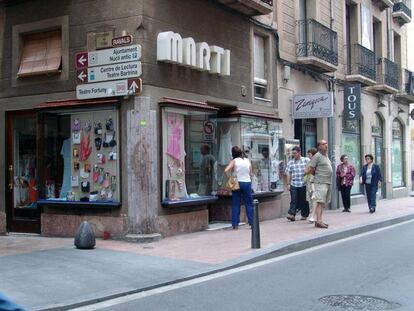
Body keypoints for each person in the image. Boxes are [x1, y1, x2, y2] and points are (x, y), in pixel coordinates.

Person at [224, 146, 253, 229]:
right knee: (249, 203)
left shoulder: (234, 161)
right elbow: (250, 173)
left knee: (236, 203)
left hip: (237, 183)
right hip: (247, 182)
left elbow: (226, 170)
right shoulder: (247, 160)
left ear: (233, 154)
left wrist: (231, 178)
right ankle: (252, 222)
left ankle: (235, 224)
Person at [308, 140, 333, 229]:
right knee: (319, 201)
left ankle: (320, 220)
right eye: (323, 144)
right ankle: (318, 221)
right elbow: (310, 168)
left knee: (322, 203)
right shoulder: (317, 156)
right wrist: (316, 175)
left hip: (326, 182)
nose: (326, 145)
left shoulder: (325, 155)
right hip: (320, 182)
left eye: (326, 143)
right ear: (319, 147)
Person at [285, 146, 310, 221]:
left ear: (299, 153)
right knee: (294, 199)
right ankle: (292, 214)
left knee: (304, 200)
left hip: (304, 183)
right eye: (293, 153)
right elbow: (288, 174)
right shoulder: (290, 162)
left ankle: (304, 214)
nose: (293, 155)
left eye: (295, 153)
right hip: (294, 184)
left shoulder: (306, 160)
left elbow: (311, 168)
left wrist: (307, 172)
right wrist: (288, 184)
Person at [305, 147, 318, 223]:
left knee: (314, 199)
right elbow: (305, 171)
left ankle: (313, 216)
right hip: (309, 182)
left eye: (309, 154)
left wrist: (310, 169)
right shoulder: (309, 162)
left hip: (315, 182)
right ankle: (313, 214)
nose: (308, 156)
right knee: (310, 199)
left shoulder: (318, 162)